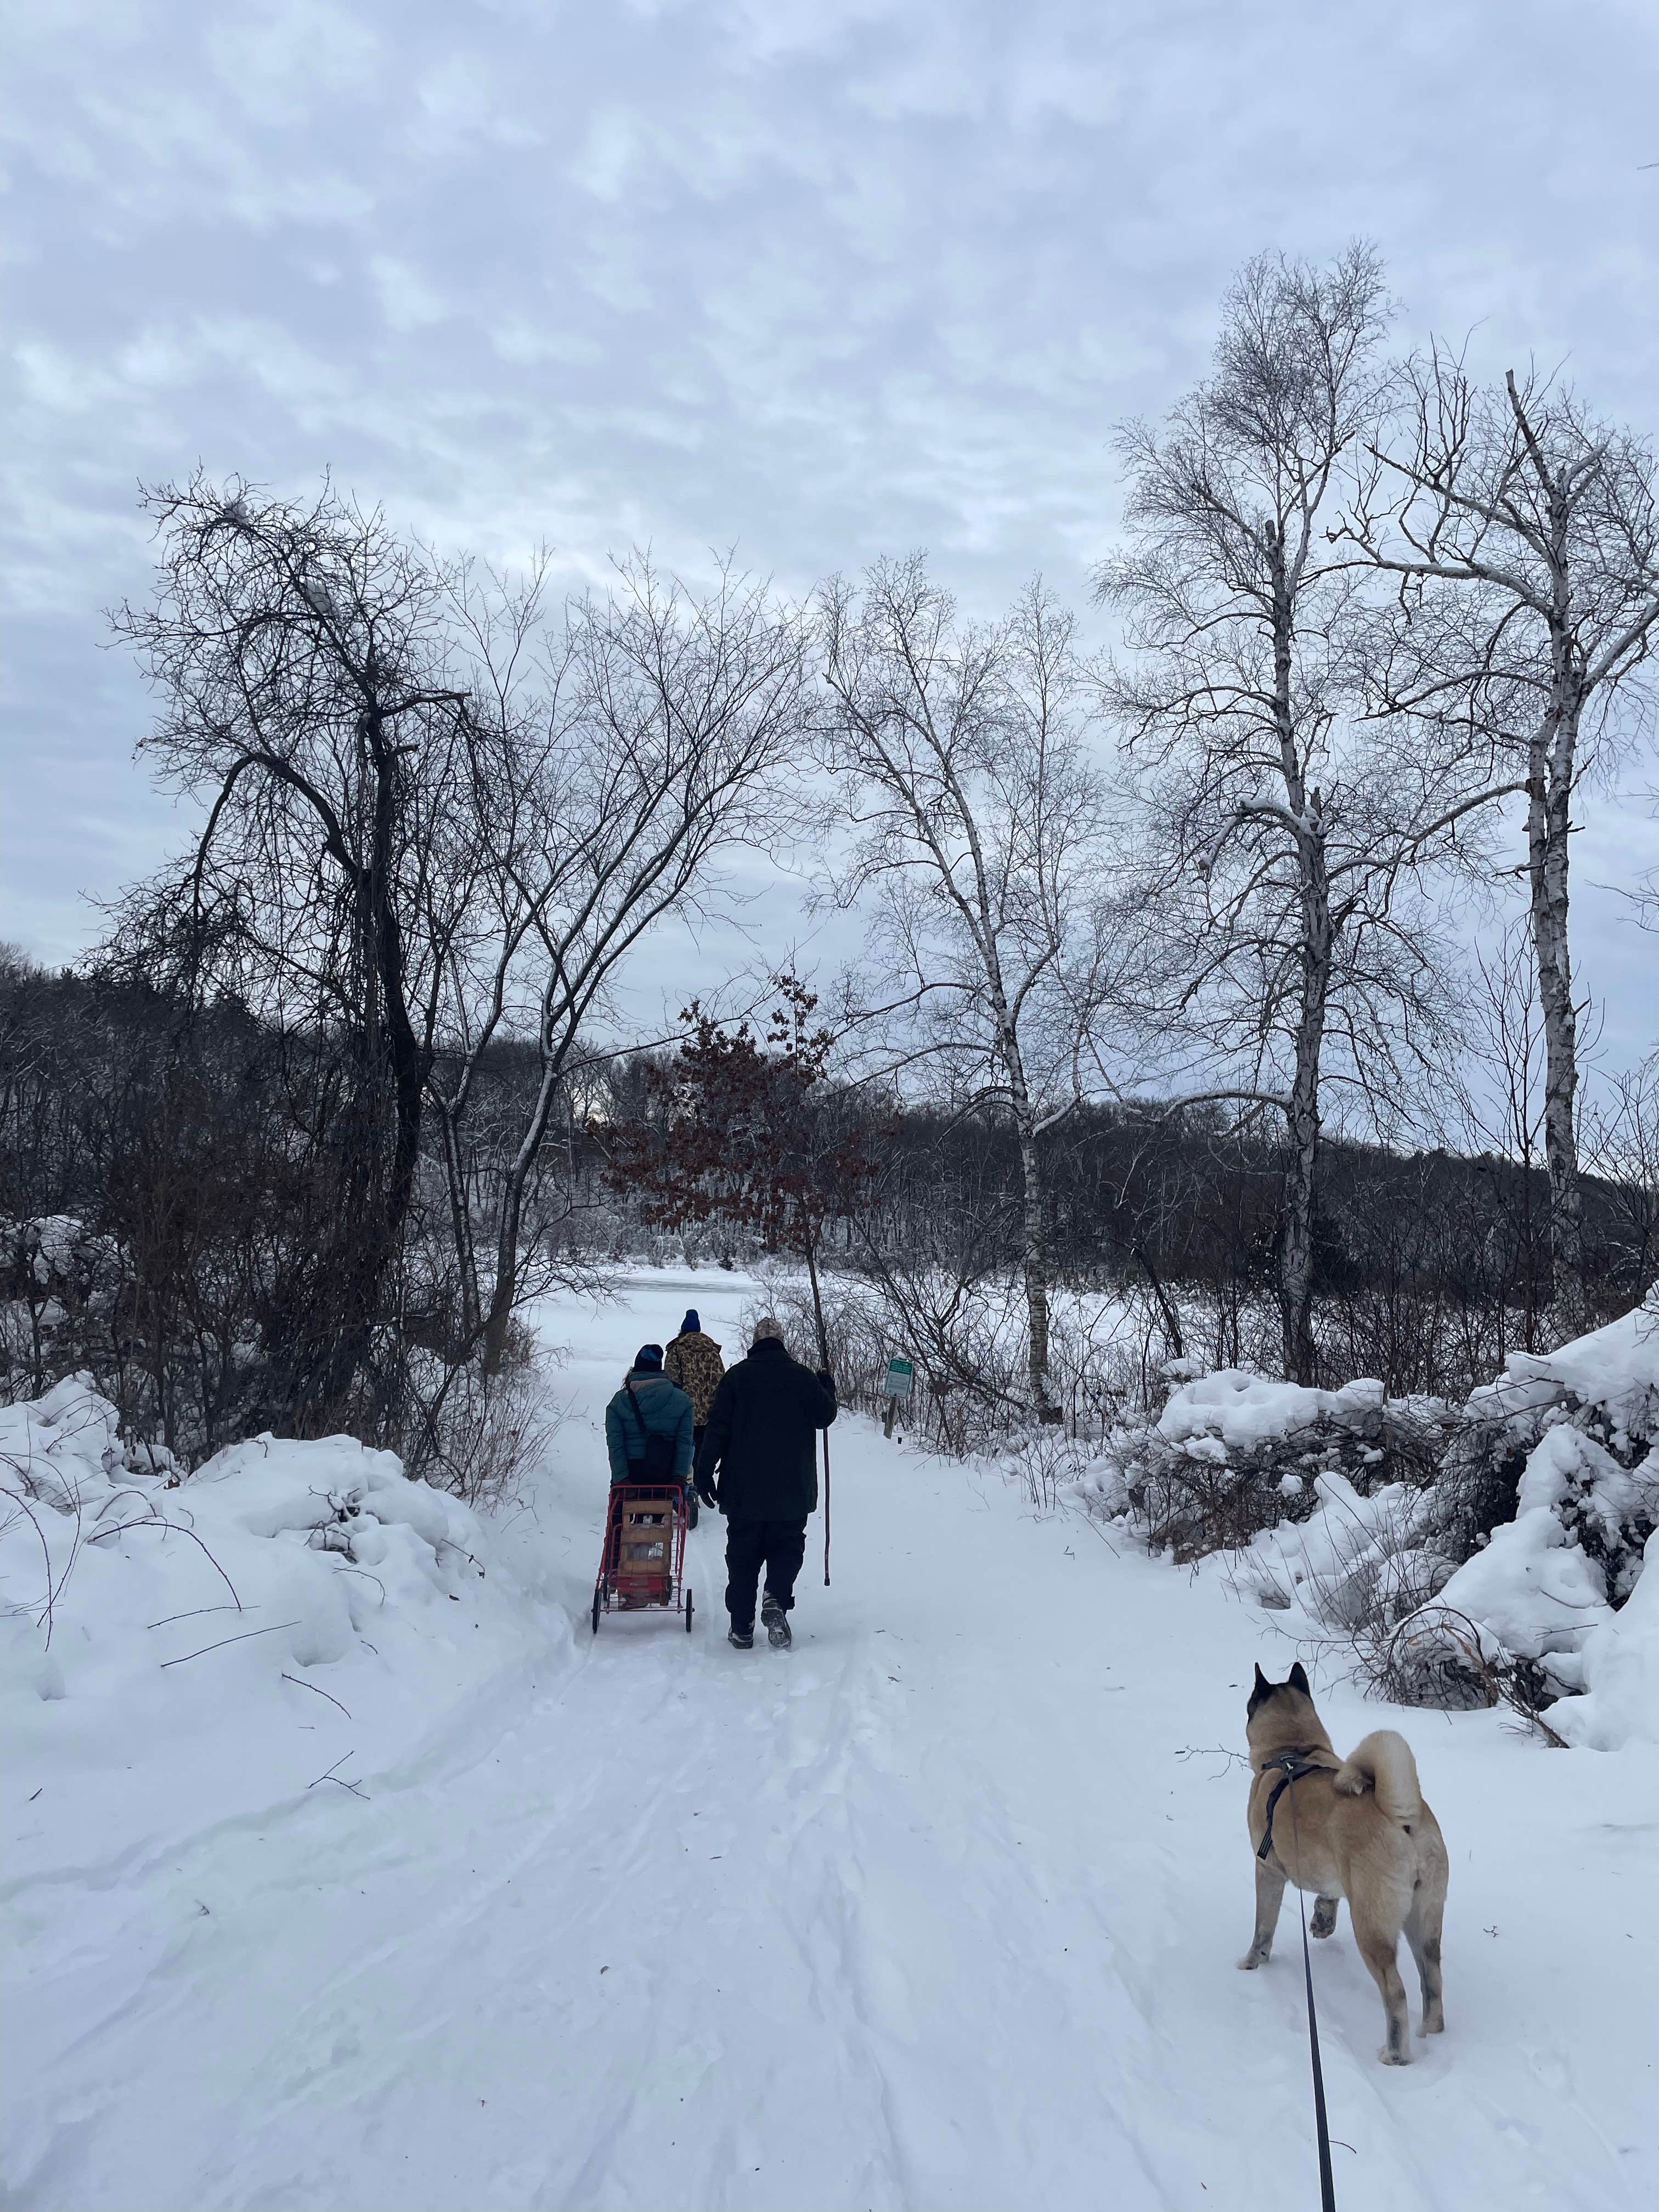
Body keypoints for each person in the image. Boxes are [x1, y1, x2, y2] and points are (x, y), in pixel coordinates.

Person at [695, 1315, 836, 1651]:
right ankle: (776, 1597)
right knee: (787, 1547)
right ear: (782, 1342)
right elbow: (825, 1416)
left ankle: (742, 1627)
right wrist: (826, 1386)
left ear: (754, 1343)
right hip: (792, 1489)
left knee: (743, 1556)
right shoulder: (803, 1377)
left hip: (744, 1490)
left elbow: (717, 1429)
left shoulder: (737, 1378)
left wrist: (703, 1472)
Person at [603, 1344, 694, 1606]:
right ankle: (655, 1575)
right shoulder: (681, 1400)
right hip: (664, 1476)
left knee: (622, 1524)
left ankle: (617, 1574)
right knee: (656, 1526)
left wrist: (621, 1478)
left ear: (636, 1368)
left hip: (630, 1475)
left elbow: (616, 1443)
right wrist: (678, 1476)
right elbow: (684, 1441)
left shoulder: (620, 1402)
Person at [664, 1308, 725, 1523]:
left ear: (683, 1330)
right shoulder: (713, 1350)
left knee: (683, 1451)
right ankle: (698, 1485)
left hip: (685, 1413)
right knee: (701, 1450)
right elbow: (721, 1381)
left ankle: (686, 1489)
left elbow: (671, 1382)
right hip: (710, 1414)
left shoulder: (676, 1350)